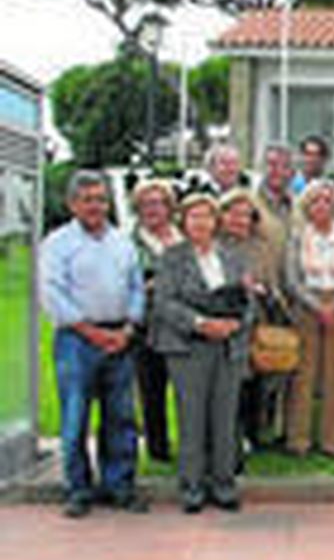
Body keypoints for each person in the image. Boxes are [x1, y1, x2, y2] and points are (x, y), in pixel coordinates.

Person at [41, 170, 150, 518]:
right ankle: (78, 489)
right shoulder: (57, 244)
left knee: (121, 417)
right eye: (87, 200)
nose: (95, 206)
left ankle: (119, 486)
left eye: (101, 199)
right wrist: (91, 332)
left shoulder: (122, 241)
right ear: (72, 204)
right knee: (75, 418)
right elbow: (52, 293)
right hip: (77, 340)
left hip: (120, 339)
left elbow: (136, 287)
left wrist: (129, 328)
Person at [151, 193, 252, 513]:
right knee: (192, 417)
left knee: (224, 417)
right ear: (183, 221)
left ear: (217, 221)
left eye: (207, 216)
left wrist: (234, 325)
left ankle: (224, 484)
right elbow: (164, 303)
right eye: (194, 217)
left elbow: (247, 299)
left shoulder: (233, 257)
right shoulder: (172, 257)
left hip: (228, 346)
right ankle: (192, 486)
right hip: (187, 347)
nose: (201, 223)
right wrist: (200, 323)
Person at [283, 179, 334, 458]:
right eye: (316, 201)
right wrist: (316, 305)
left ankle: (330, 441)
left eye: (327, 201)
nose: (322, 206)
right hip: (307, 306)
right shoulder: (298, 236)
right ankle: (299, 440)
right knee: (303, 376)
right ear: (307, 206)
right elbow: (291, 276)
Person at [218, 189, 288, 453]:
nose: (239, 221)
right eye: (233, 214)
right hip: (224, 323)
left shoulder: (262, 247)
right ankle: (228, 434)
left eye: (245, 216)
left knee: (256, 383)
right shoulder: (214, 244)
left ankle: (253, 432)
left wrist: (265, 291)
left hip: (257, 322)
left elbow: (274, 283)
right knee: (229, 383)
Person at [128, 178, 181, 463]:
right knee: (152, 390)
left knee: (188, 390)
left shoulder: (183, 236)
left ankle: (193, 446)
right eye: (146, 203)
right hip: (148, 325)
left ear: (169, 207)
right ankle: (158, 450)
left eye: (159, 202)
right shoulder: (130, 242)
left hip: (184, 326)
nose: (153, 209)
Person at [256, 142, 297, 226]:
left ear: (290, 171)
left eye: (284, 166)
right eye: (273, 164)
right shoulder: (251, 202)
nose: (278, 170)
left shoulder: (295, 206)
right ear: (264, 167)